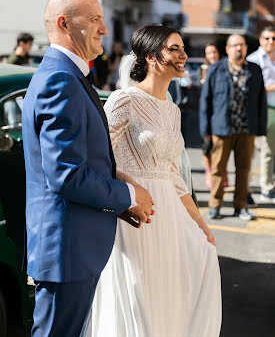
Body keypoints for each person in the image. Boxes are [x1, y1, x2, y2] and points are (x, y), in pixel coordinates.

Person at [22, 0, 154, 337]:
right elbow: (66, 175)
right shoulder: (60, 80)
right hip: (66, 251)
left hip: (73, 247)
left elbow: (81, 162)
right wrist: (127, 195)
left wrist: (115, 200)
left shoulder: (68, 75)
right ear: (65, 24)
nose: (104, 29)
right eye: (95, 19)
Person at [84, 24, 222, 337]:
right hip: (134, 215)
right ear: (151, 57)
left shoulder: (173, 111)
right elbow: (99, 156)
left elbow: (172, 174)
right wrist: (128, 193)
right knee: (138, 301)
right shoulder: (124, 100)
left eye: (183, 48)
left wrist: (200, 223)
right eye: (174, 49)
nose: (183, 55)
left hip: (169, 215)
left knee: (169, 293)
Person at [200, 34, 267, 220]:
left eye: (242, 45)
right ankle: (215, 205)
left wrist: (260, 128)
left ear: (246, 48)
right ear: (228, 49)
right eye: (235, 45)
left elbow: (261, 101)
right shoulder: (216, 69)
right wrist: (205, 130)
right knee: (218, 169)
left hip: (247, 129)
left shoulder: (255, 70)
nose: (239, 48)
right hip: (221, 129)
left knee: (244, 169)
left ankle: (241, 206)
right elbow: (206, 101)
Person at [247, 26, 275, 202]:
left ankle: (267, 188)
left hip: (273, 110)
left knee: (270, 151)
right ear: (260, 40)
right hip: (259, 110)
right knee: (252, 152)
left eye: (273, 38)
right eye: (267, 38)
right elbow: (250, 89)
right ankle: (247, 190)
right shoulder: (253, 60)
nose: (270, 42)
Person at [201, 43, 229, 189]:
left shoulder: (224, 68)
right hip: (206, 113)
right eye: (208, 53)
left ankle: (223, 173)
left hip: (219, 114)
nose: (212, 55)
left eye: (214, 52)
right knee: (207, 147)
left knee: (221, 146)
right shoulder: (204, 70)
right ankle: (209, 173)